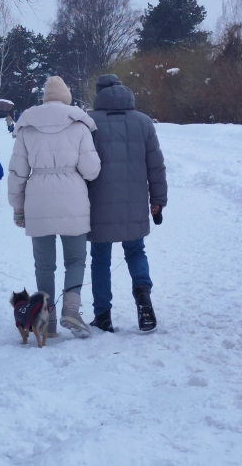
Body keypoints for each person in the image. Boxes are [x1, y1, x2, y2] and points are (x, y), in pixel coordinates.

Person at [8, 76, 101, 338]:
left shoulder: (27, 127)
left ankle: (44, 320)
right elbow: (91, 171)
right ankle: (72, 309)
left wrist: (18, 207)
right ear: (67, 98)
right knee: (75, 259)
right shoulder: (80, 125)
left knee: (44, 265)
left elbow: (17, 173)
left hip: (37, 200)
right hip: (73, 198)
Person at [87, 74, 167, 333]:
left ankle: (103, 316)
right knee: (135, 252)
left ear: (98, 94)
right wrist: (158, 201)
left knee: (100, 258)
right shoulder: (143, 122)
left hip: (99, 204)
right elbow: (156, 166)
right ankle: (143, 296)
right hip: (134, 205)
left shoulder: (89, 124)